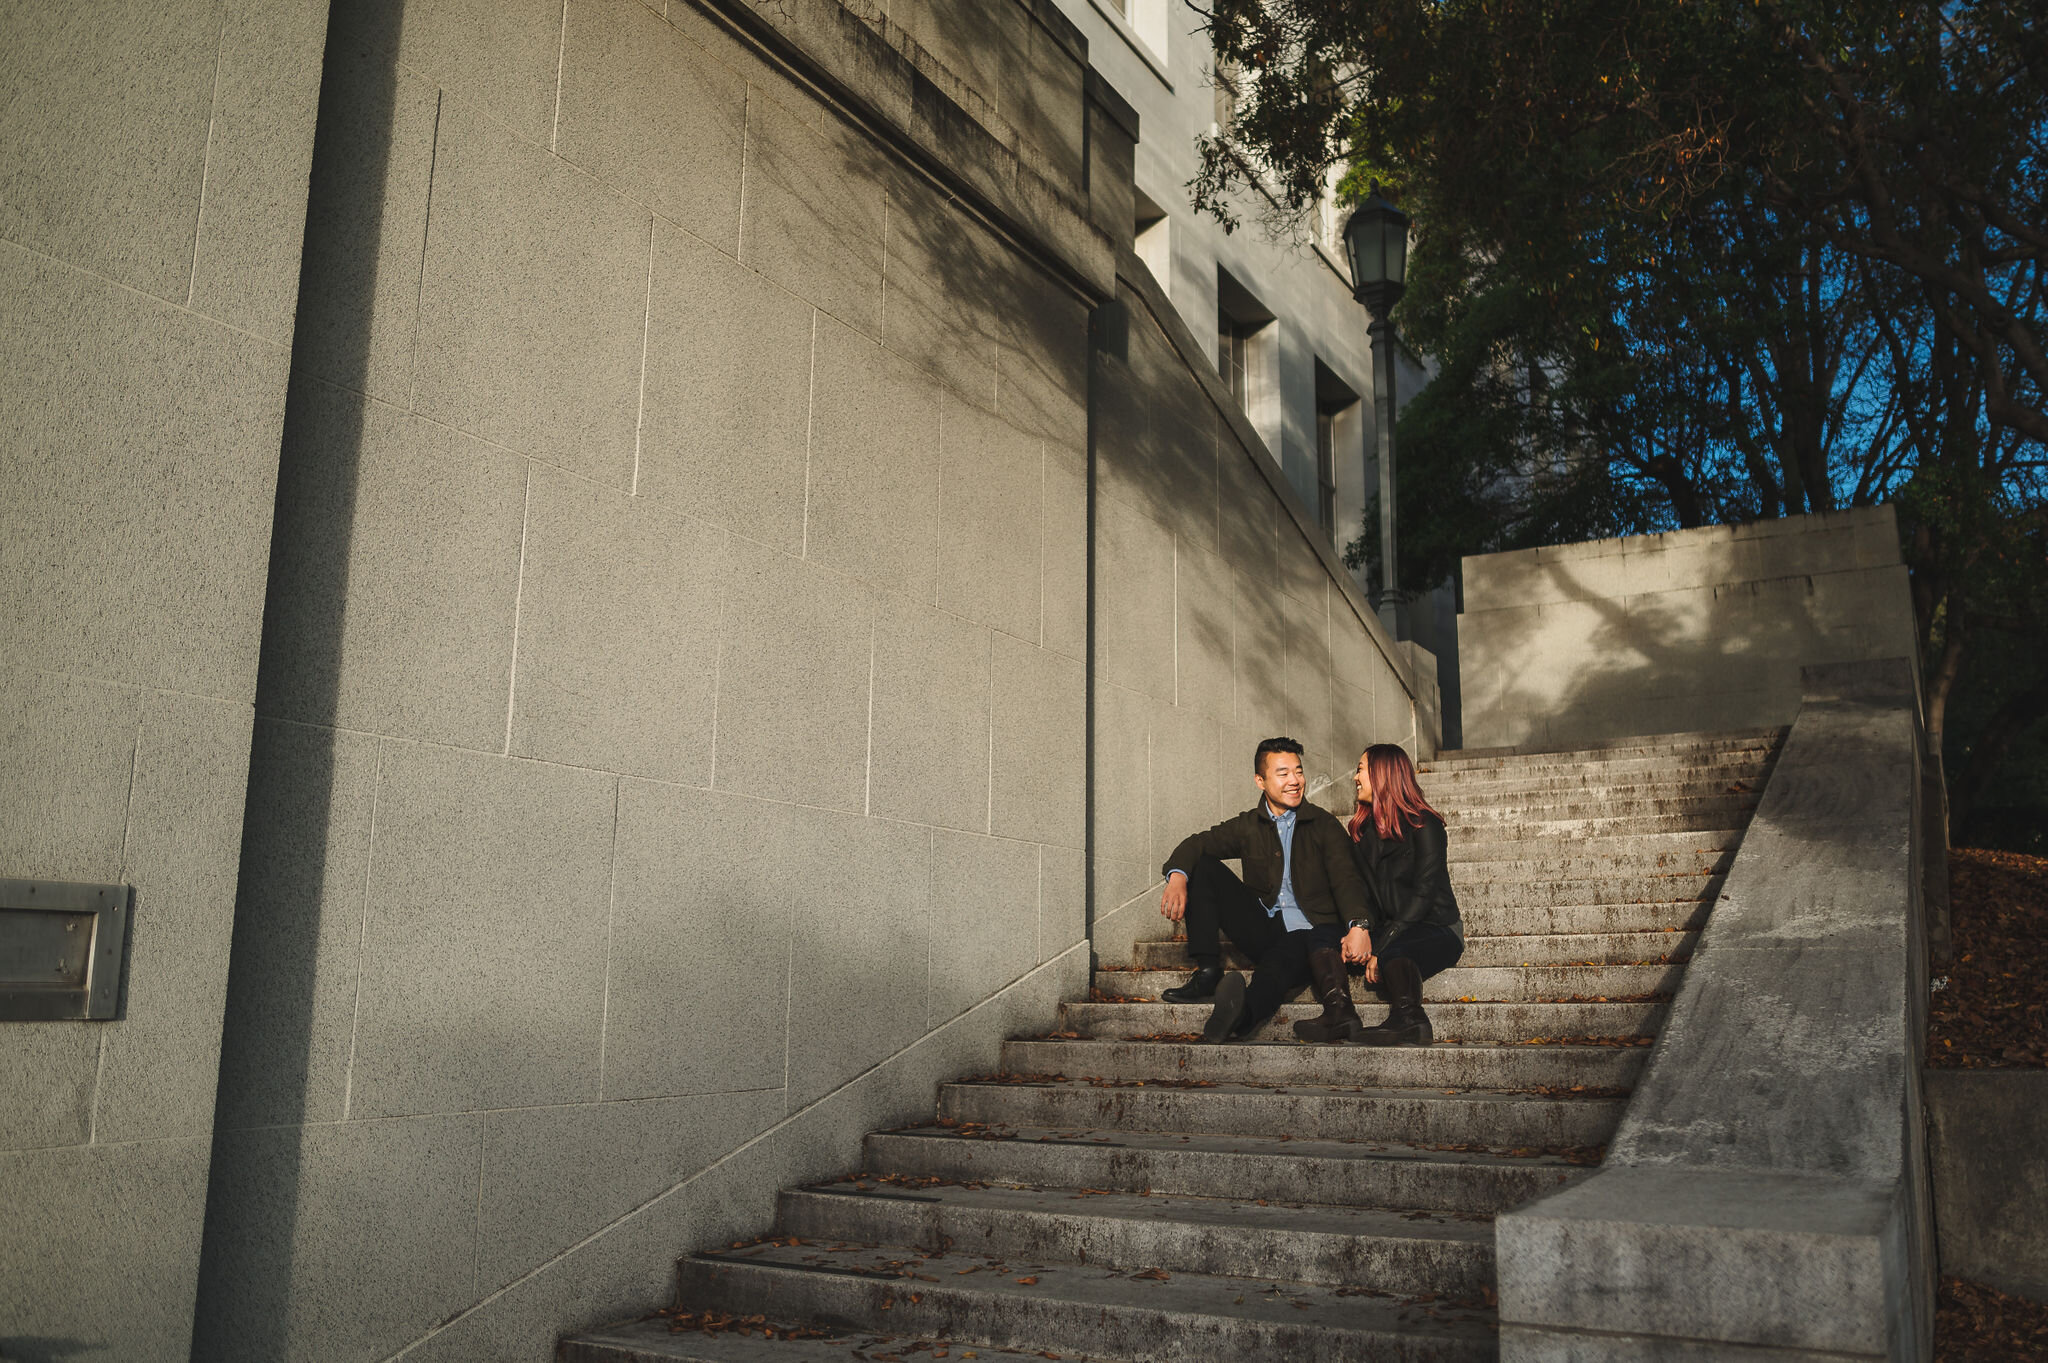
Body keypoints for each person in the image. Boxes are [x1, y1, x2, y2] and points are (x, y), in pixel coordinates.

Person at [1158, 737, 1374, 1044]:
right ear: (1261, 780)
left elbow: (1346, 880)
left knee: (1275, 968)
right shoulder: (1249, 825)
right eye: (1283, 773)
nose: (1295, 781)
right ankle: (1207, 971)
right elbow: (1198, 843)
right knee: (1202, 866)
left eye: (1298, 772)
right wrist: (1177, 877)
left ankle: (1241, 1017)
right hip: (1263, 925)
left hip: (1309, 932)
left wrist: (1358, 925)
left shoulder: (1323, 825)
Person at [1343, 743, 1464, 1046]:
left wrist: (1381, 948)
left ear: (1382, 773)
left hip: (1437, 928)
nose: (1355, 777)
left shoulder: (1425, 825)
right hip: (1391, 927)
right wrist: (1361, 931)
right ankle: (1337, 1017)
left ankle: (1411, 1019)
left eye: (1360, 769)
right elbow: (1364, 895)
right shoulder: (1363, 833)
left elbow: (1423, 896)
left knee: (1398, 952)